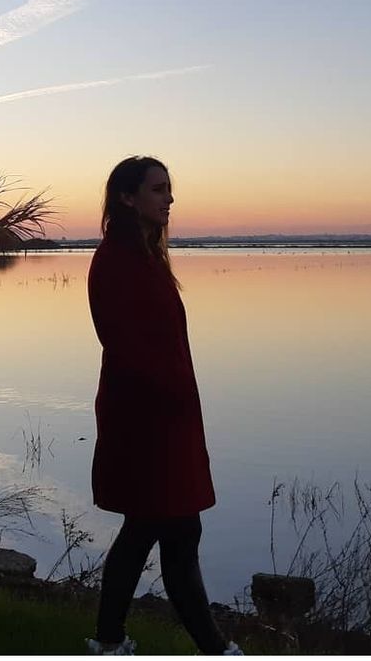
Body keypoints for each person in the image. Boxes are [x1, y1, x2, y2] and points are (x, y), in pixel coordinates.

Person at [84, 156, 242, 656]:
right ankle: (214, 650)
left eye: (170, 189)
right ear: (127, 197)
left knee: (156, 529)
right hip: (148, 418)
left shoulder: (144, 257)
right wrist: (170, 402)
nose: (169, 198)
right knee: (171, 528)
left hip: (164, 415)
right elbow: (128, 345)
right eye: (158, 189)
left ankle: (109, 642)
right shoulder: (118, 260)